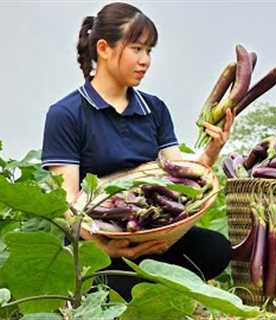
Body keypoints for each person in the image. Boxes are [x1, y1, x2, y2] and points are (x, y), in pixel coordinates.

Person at [40, 2, 234, 301]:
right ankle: (138, 285)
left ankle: (147, 281)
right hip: (95, 239)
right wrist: (104, 246)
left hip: (150, 229)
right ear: (103, 49)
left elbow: (178, 172)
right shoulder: (66, 114)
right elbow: (65, 202)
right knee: (115, 284)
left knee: (216, 249)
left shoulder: (154, 109)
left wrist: (212, 150)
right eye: (136, 49)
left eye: (149, 51)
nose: (145, 60)